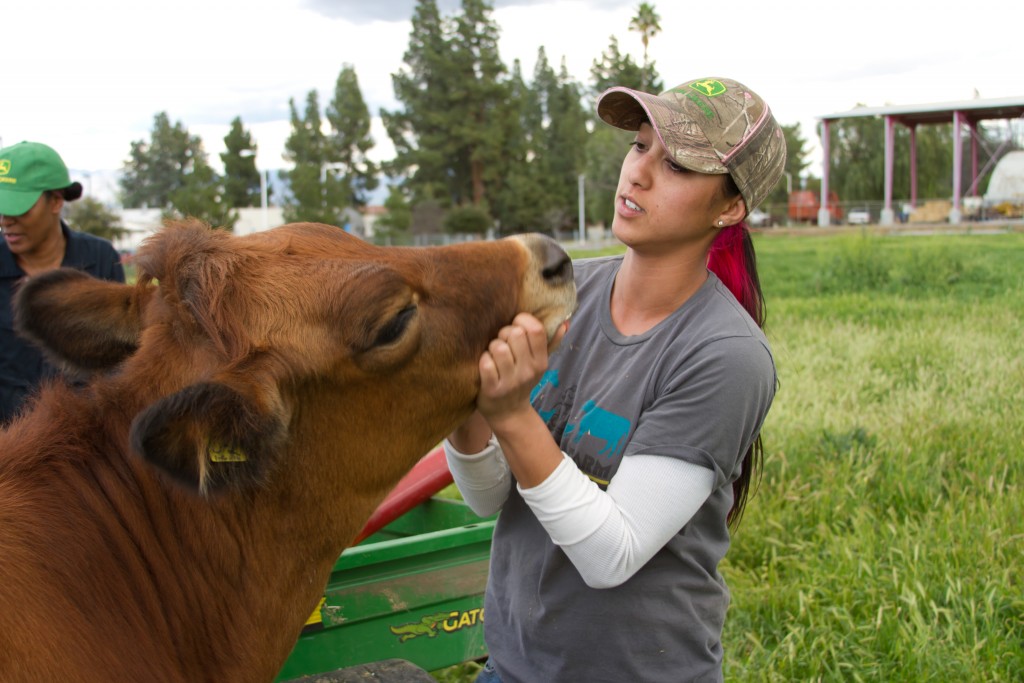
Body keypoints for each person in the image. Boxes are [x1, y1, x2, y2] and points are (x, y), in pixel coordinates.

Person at [445, 77, 786, 683]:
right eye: (639, 145)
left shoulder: (724, 355)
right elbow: (489, 499)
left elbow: (612, 554)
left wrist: (513, 413)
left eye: (677, 163)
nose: (638, 174)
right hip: (513, 665)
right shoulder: (560, 291)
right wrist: (469, 403)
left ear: (730, 208)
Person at [0, 141, 125, 425]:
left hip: (82, 446)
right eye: (1, 209)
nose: (6, 221)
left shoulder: (100, 261)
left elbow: (122, 360)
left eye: (18, 209)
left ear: (55, 201)